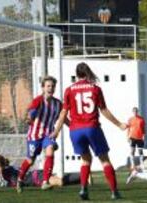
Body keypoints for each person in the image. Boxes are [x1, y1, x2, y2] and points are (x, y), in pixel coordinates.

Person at [51, 62, 126, 200]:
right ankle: (114, 191)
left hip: (75, 131)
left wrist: (56, 132)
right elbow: (103, 110)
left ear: (76, 74)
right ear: (88, 72)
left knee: (85, 160)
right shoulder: (95, 89)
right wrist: (119, 124)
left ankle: (83, 188)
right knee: (104, 160)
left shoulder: (69, 90)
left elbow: (63, 113)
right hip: (92, 128)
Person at [16, 76, 65, 193]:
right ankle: (19, 179)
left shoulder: (58, 104)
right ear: (43, 88)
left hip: (48, 134)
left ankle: (45, 181)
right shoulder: (38, 100)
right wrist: (28, 118)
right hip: (34, 136)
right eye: (48, 86)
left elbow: (63, 118)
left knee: (50, 149)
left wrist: (72, 125)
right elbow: (30, 115)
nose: (51, 88)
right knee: (30, 160)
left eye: (53, 86)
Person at [0, 155, 80, 188]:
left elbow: (16, 182)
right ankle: (83, 177)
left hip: (36, 178)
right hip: (35, 175)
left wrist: (7, 185)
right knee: (60, 181)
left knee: (59, 181)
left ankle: (82, 176)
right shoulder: (7, 169)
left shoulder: (6, 172)